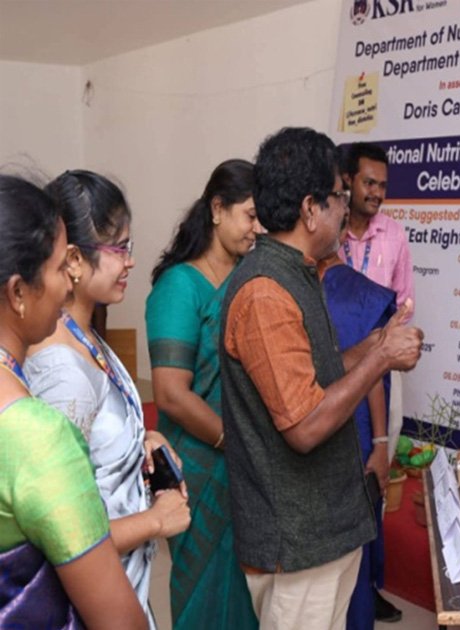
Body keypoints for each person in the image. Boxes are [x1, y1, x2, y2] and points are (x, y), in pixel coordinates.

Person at [220, 127, 423, 630]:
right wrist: (379, 362)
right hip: (297, 543)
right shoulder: (266, 292)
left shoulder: (300, 271)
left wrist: (379, 345)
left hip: (323, 531)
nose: (345, 209)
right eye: (338, 197)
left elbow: (320, 372)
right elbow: (306, 424)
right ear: (311, 209)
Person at [25, 170, 191, 629]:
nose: (130, 263)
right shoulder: (62, 372)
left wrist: (143, 437)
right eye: (120, 249)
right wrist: (157, 521)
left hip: (124, 583)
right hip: (93, 603)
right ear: (74, 259)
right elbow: (61, 536)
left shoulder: (87, 337)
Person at [0, 173, 147, 629]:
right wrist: (156, 521)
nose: (69, 284)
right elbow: (119, 621)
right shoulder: (36, 434)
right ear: (18, 292)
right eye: (61, 267)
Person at [146, 159, 262, 629]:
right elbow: (172, 395)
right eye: (250, 216)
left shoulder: (247, 282)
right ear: (217, 209)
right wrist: (234, 444)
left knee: (245, 595)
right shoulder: (179, 287)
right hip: (199, 467)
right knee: (204, 595)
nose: (257, 229)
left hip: (245, 467)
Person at [321, 218, 397, 630]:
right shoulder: (361, 295)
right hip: (356, 436)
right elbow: (374, 375)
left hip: (328, 440)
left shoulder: (355, 293)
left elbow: (374, 367)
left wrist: (382, 442)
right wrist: (381, 443)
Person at [339, 142, 413, 311]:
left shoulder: (394, 234)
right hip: (331, 334)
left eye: (382, 186)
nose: (377, 194)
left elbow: (404, 303)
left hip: (378, 335)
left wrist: (382, 334)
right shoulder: (330, 228)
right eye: (369, 183)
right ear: (348, 180)